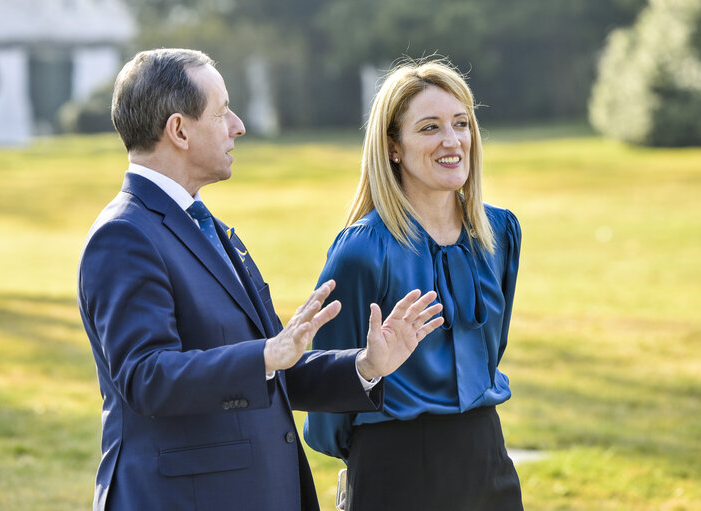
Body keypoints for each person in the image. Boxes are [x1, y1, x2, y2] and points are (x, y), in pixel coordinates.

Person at [77, 48, 444, 511]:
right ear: (179, 130)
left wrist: (367, 365)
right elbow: (146, 376)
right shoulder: (124, 235)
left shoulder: (205, 225)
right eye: (221, 111)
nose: (238, 125)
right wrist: (268, 353)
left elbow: (275, 368)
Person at [303, 58, 524, 510]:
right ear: (393, 148)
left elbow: (490, 348)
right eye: (429, 128)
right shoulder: (363, 250)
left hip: (489, 456)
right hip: (397, 470)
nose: (452, 141)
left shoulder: (499, 233)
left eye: (461, 124)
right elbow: (328, 389)